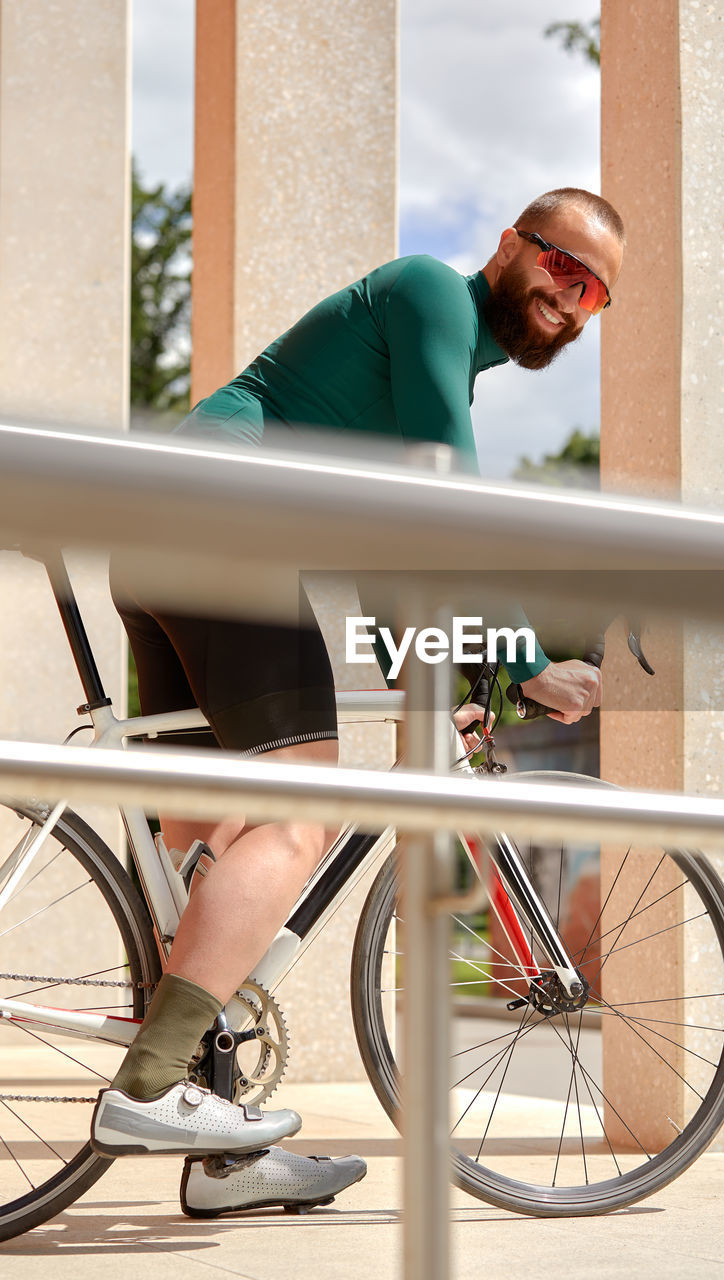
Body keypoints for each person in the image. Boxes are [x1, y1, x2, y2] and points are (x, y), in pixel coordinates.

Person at [92, 187, 625, 1216]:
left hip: (176, 535)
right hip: (228, 536)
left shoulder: (422, 369)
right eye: (562, 266)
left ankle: (219, 1139)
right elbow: (445, 510)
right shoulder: (432, 294)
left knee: (209, 830)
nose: (570, 298)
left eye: (594, 296)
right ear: (511, 243)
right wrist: (522, 663)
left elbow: (390, 557)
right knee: (302, 813)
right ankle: (151, 1085)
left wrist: (443, 678)